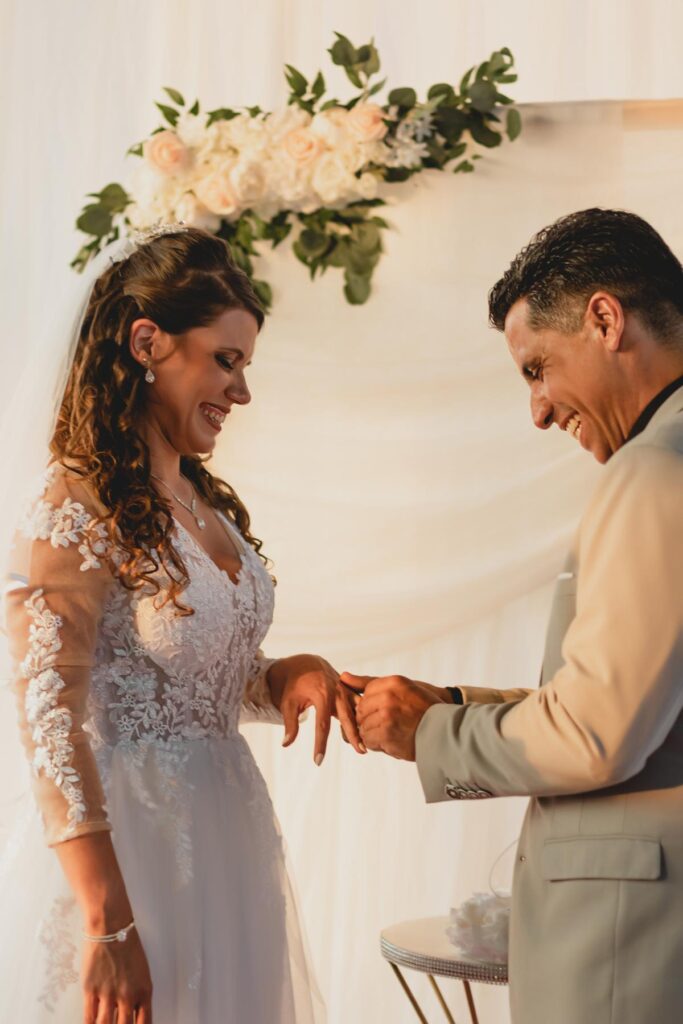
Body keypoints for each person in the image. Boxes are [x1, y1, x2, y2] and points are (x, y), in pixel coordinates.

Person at [0, 225, 362, 1024]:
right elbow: (47, 720)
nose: (241, 391)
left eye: (245, 366)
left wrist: (280, 678)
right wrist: (107, 921)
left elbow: (198, 676)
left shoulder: (204, 505)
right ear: (146, 342)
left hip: (227, 842)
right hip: (133, 855)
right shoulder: (73, 505)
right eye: (224, 361)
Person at [345, 209, 683, 1024]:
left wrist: (427, 736)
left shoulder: (652, 471)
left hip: (623, 948)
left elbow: (598, 735)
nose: (536, 409)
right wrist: (452, 704)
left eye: (537, 368)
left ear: (604, 319)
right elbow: (646, 704)